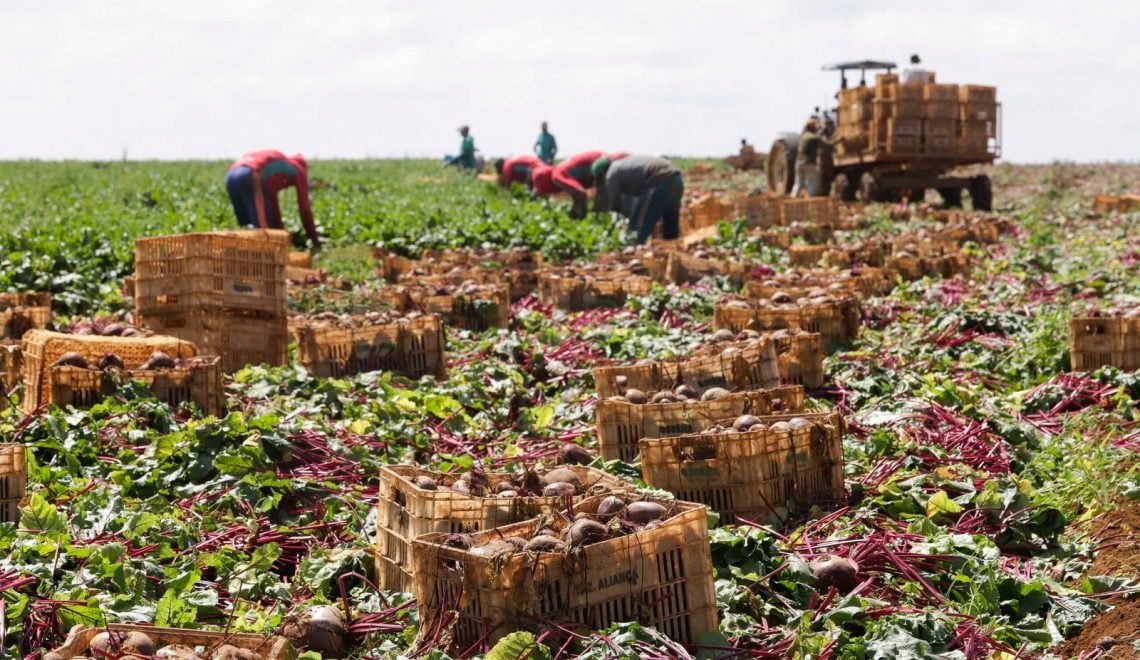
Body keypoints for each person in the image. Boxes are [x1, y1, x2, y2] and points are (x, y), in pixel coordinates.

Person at [225, 150, 321, 248]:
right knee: (263, 230)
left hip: (231, 175)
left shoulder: (275, 173)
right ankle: (266, 259)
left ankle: (243, 256)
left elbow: (273, 208)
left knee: (247, 226)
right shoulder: (298, 169)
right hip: (250, 173)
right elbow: (305, 209)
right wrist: (314, 238)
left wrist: (281, 234)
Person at [592, 155, 683, 244]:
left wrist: (615, 226)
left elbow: (615, 203)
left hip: (659, 179)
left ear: (602, 173)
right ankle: (673, 248)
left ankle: (632, 248)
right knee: (670, 222)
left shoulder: (611, 173)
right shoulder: (622, 165)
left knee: (637, 228)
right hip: (677, 178)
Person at [532, 150, 629, 218]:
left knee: (601, 207)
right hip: (600, 161)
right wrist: (576, 208)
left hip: (600, 165)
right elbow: (576, 195)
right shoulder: (560, 170)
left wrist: (581, 214)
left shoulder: (556, 176)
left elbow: (580, 193)